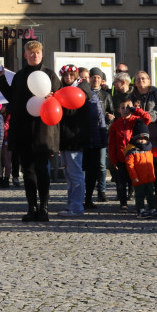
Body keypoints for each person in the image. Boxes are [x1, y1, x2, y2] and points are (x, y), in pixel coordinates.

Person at [0, 40, 60, 223]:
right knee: (28, 171)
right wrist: (1, 79)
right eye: (31, 53)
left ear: (42, 54)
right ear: (25, 55)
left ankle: (44, 208)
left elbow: (59, 98)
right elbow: (13, 99)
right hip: (23, 129)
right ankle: (32, 207)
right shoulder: (20, 76)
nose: (34, 55)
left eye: (37, 53)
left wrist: (52, 96)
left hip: (43, 131)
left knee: (42, 171)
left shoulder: (49, 74)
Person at [130, 71, 157, 209]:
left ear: (149, 80)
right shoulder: (132, 95)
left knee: (156, 167)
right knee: (138, 166)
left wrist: (147, 116)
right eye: (138, 79)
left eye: (144, 78)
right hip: (138, 136)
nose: (141, 81)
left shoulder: (155, 93)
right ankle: (141, 198)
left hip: (154, 135)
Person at [56, 65, 91, 218]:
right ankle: (72, 204)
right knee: (68, 175)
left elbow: (71, 112)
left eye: (71, 75)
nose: (68, 78)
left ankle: (77, 206)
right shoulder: (62, 91)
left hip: (75, 139)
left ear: (76, 76)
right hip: (64, 139)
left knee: (75, 174)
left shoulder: (80, 90)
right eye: (65, 76)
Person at [123, 121, 157, 218]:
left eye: (144, 138)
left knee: (151, 195)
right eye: (139, 139)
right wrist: (134, 177)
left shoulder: (149, 149)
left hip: (149, 178)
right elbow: (130, 166)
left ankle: (152, 209)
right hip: (138, 179)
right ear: (135, 138)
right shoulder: (131, 151)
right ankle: (140, 210)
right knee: (139, 196)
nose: (142, 141)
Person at [83, 69, 110, 209]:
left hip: (95, 137)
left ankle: (94, 195)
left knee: (97, 167)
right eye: (89, 77)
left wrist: (103, 137)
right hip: (80, 138)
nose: (93, 80)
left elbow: (101, 118)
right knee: (80, 170)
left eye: (97, 77)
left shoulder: (100, 96)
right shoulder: (79, 94)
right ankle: (79, 198)